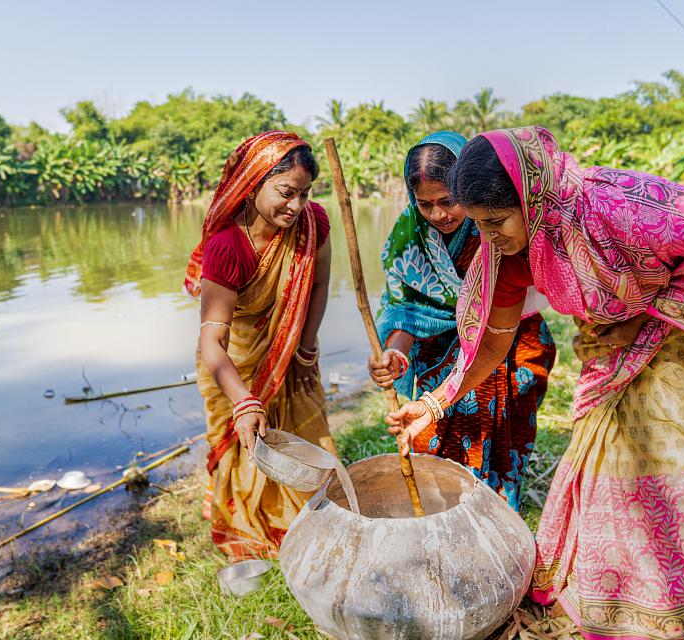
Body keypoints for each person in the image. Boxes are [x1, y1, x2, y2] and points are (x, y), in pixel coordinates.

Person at [387, 125, 684, 639]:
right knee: (613, 458)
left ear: (530, 194)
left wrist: (648, 316)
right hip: (619, 340)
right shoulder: (509, 254)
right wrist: (434, 403)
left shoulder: (615, 211)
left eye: (497, 222)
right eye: (480, 225)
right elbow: (492, 344)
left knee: (682, 456)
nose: (489, 240)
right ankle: (618, 588)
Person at [369, 131, 555, 511]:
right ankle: (442, 511)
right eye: (425, 204)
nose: (439, 215)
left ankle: (496, 509)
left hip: (509, 340)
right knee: (431, 435)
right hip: (441, 356)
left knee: (503, 432)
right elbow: (410, 309)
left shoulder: (497, 226)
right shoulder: (410, 237)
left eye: (448, 201)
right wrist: (395, 352)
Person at [185, 130, 335, 560]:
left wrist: (305, 348)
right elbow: (213, 337)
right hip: (232, 363)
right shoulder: (227, 247)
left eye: (305, 194)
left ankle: (304, 518)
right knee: (243, 444)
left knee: (302, 432)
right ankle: (246, 520)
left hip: (292, 351)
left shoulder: (313, 224)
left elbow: (321, 282)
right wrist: (244, 400)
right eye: (286, 192)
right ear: (253, 184)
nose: (296, 206)